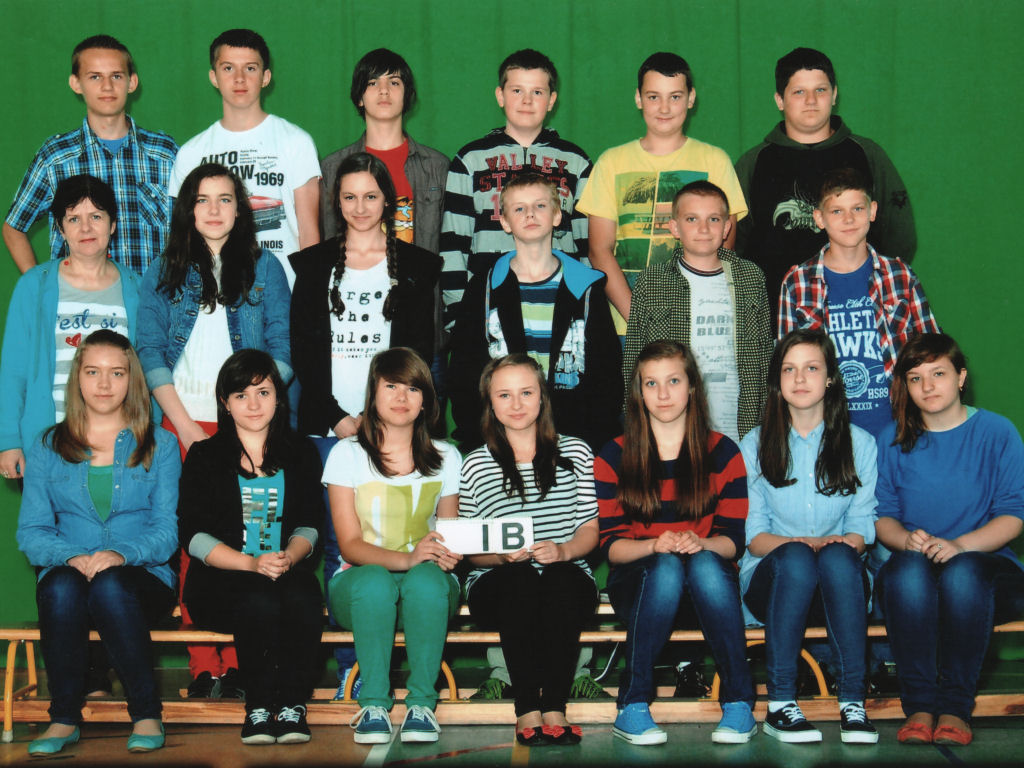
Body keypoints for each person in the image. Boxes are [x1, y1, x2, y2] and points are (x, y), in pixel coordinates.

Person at [137, 161, 291, 697]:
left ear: (240, 209)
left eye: (225, 199)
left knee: (250, 536)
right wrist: (185, 428)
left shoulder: (266, 268)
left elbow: (282, 349)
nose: (214, 209)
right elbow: (150, 351)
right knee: (193, 542)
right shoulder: (164, 269)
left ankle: (247, 660)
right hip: (184, 421)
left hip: (249, 424)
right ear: (188, 209)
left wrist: (255, 413)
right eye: (202, 200)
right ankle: (205, 664)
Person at [291, 152, 441, 695]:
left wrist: (381, 418)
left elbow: (419, 354)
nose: (360, 207)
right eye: (349, 197)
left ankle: (395, 665)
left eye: (371, 196)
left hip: (395, 426)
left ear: (388, 202)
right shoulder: (312, 265)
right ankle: (351, 670)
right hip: (330, 429)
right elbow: (303, 352)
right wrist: (339, 419)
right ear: (336, 202)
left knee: (401, 539)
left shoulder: (418, 265)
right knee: (340, 548)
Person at [16, 330, 180, 755]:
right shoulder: (47, 446)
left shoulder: (161, 444)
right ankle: (63, 718)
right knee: (59, 585)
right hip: (71, 573)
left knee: (109, 585)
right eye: (93, 372)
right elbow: (31, 531)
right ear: (78, 378)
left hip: (142, 577)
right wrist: (71, 555)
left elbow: (166, 531)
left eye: (116, 373)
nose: (104, 384)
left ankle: (146, 713)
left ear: (132, 379)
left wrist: (121, 554)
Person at [595, 340, 756, 745]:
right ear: (639, 392)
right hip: (641, 591)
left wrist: (700, 542)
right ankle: (633, 705)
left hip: (708, 593)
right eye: (651, 383)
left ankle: (739, 702)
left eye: (673, 381)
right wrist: (655, 546)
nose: (663, 394)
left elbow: (733, 543)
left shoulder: (724, 452)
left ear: (693, 387)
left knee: (703, 562)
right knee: (666, 565)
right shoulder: (614, 455)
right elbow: (611, 546)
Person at [874, 333, 1024, 747]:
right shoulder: (891, 439)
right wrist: (905, 538)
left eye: (938, 374)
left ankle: (956, 707)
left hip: (987, 571)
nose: (927, 386)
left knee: (963, 573)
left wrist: (960, 546)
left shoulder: (997, 432)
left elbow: (1013, 515)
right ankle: (920, 706)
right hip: (917, 571)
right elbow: (883, 518)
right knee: (906, 572)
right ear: (905, 386)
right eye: (916, 378)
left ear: (960, 377)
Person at [739, 329, 878, 744]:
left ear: (830, 377)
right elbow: (755, 538)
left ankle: (852, 702)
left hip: (838, 585)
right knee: (798, 559)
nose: (799, 379)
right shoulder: (754, 445)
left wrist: (830, 547)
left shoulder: (860, 444)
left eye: (812, 368)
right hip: (772, 584)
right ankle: (780, 703)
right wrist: (804, 546)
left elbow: (861, 531)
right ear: (777, 381)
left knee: (837, 557)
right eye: (789, 369)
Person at [178, 349, 323, 745]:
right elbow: (193, 535)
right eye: (241, 395)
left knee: (304, 593)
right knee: (258, 597)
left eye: (263, 392)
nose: (254, 404)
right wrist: (250, 563)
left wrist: (290, 556)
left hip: (283, 571)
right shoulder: (204, 456)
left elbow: (311, 525)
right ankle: (258, 707)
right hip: (221, 581)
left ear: (279, 397)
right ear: (225, 403)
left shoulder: (301, 452)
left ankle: (292, 705)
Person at [323, 348, 461, 745]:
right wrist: (409, 557)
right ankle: (374, 705)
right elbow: (350, 546)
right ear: (373, 394)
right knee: (374, 582)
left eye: (413, 388)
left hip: (425, 586)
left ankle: (422, 705)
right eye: (391, 386)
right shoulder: (346, 454)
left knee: (427, 580)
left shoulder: (448, 456)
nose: (402, 397)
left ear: (426, 401)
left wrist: (448, 553)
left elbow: (448, 535)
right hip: (358, 585)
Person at [459, 355, 599, 745]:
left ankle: (554, 706)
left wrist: (564, 550)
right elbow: (469, 548)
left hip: (565, 579)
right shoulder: (474, 464)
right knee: (519, 577)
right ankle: (526, 708)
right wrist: (500, 557)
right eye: (504, 395)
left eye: (526, 392)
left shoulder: (577, 452)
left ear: (542, 397)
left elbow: (590, 529)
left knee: (559, 578)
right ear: (490, 402)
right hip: (497, 584)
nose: (517, 404)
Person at [735, 47, 916, 314]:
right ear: (779, 100)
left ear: (834, 95)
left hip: (859, 311)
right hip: (776, 315)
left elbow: (899, 235)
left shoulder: (866, 155)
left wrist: (879, 291)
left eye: (820, 90)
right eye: (799, 92)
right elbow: (734, 244)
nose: (811, 100)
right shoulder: (754, 163)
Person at [576, 52, 747, 334]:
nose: (664, 108)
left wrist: (693, 311)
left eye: (675, 97)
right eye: (654, 97)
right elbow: (599, 250)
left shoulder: (715, 161)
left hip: (697, 322)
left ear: (691, 98)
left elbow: (724, 247)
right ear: (638, 98)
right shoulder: (611, 163)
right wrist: (640, 319)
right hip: (627, 328)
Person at [449, 172, 620, 453]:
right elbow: (464, 369)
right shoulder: (484, 286)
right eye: (519, 208)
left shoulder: (587, 286)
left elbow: (606, 373)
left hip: (573, 438)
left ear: (556, 215)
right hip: (501, 439)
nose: (530, 214)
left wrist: (593, 439)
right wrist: (479, 436)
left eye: (540, 205)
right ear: (505, 222)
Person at [778, 167, 939, 438]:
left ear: (872, 211)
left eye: (857, 209)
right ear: (819, 218)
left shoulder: (900, 276)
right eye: (836, 211)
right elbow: (786, 366)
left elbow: (933, 352)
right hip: (828, 432)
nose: (849, 219)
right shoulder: (797, 283)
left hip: (898, 429)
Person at [0, 175, 140, 483]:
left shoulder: (137, 289)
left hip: (120, 450)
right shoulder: (34, 286)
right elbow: (13, 370)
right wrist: (9, 440)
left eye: (96, 217)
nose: (86, 228)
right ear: (61, 229)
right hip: (49, 446)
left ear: (113, 225)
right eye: (74, 219)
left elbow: (145, 373)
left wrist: (147, 435)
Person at [440, 48, 591, 331]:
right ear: (500, 95)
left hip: (559, 304)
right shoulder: (470, 160)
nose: (526, 100)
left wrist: (583, 307)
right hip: (487, 306)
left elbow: (587, 246)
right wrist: (460, 315)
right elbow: (452, 244)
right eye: (517, 90)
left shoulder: (576, 162)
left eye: (537, 92)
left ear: (552, 100)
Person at [3, 35, 177, 276]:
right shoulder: (56, 158)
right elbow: (14, 227)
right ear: (76, 83)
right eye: (95, 77)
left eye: (116, 76)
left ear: (132, 82)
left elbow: (194, 227)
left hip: (151, 297)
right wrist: (39, 286)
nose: (107, 86)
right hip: (79, 299)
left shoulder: (165, 153)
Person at [169, 28, 320, 287]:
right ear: (214, 77)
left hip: (283, 289)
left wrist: (310, 294)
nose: (239, 78)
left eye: (250, 68)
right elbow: (184, 236)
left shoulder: (296, 142)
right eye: (228, 68)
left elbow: (309, 231)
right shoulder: (192, 153)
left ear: (265, 77)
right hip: (213, 292)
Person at [624, 180, 772, 443]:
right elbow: (634, 358)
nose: (704, 229)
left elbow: (765, 355)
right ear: (674, 227)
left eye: (713, 219)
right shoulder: (652, 281)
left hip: (741, 421)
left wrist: (768, 419)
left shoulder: (751, 277)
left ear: (726, 227)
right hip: (673, 425)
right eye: (692, 219)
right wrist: (635, 421)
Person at [320, 48, 448, 251]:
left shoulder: (437, 167)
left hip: (419, 272)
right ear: (360, 98)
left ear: (407, 95)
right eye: (372, 83)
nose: (384, 90)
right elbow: (328, 241)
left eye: (394, 82)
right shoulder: (333, 167)